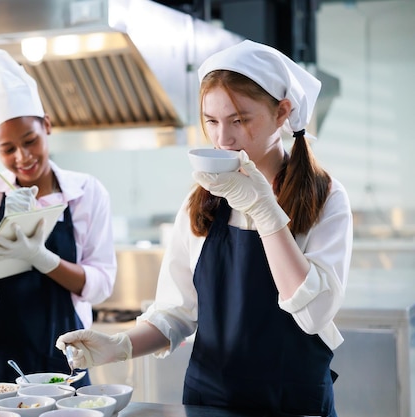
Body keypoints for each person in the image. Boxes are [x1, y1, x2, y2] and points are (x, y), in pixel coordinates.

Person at [57, 40, 353, 417]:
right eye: (211, 121)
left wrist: (265, 211)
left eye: (240, 120)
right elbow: (177, 313)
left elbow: (312, 315)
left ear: (282, 113)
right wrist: (119, 346)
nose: (223, 139)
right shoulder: (203, 202)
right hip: (210, 400)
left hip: (291, 400)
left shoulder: (325, 197)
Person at [0, 48, 116, 385]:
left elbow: (100, 285)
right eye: (8, 149)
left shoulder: (87, 192)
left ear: (47, 126)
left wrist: (43, 259)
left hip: (60, 356)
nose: (23, 157)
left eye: (30, 141)